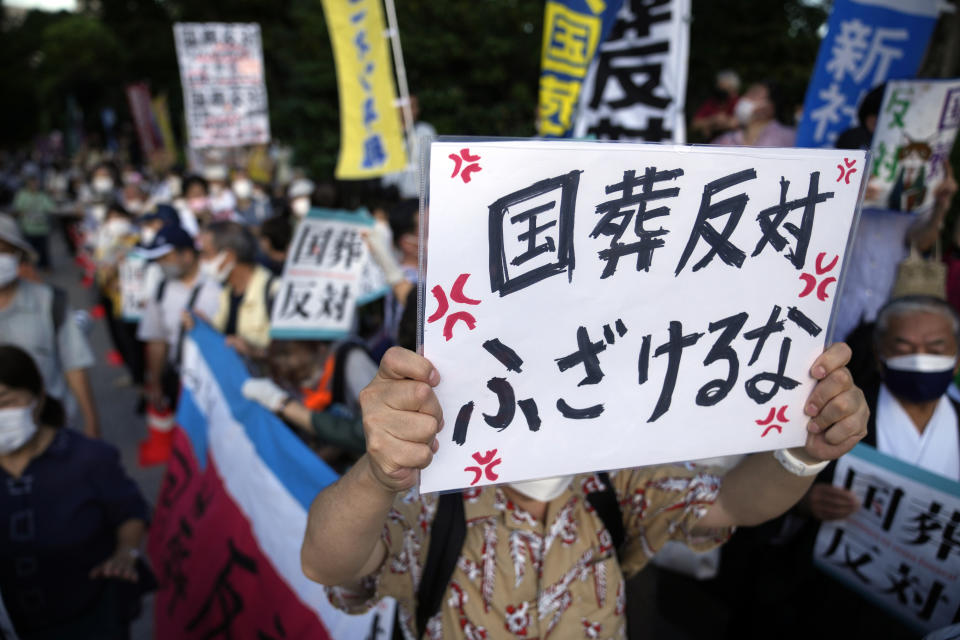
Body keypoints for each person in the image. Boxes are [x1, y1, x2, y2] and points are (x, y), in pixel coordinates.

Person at [301, 340, 868, 638]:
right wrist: (380, 476)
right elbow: (330, 562)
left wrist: (802, 451)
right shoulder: (433, 490)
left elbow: (729, 504)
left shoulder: (615, 478)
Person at [0, 345, 151, 639]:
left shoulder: (88, 457)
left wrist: (125, 552)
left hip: (90, 618)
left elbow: (131, 510)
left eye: (5, 402)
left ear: (38, 398)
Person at [0, 214, 100, 438]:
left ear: (17, 255)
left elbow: (74, 365)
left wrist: (92, 423)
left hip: (53, 428)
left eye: (2, 250)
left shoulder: (50, 301)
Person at [136, 223, 220, 463]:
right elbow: (156, 340)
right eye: (159, 260)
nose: (163, 264)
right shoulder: (161, 290)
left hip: (214, 382)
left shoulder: (216, 285)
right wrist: (155, 383)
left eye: (167, 257)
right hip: (179, 379)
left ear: (187, 254)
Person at [202, 221, 280, 359]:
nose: (202, 261)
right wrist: (202, 326)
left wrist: (255, 352)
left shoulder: (275, 291)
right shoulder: (227, 292)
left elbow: (294, 355)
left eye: (207, 255)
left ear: (229, 256)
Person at [381, 95, 437, 200]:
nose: (412, 111)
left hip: (418, 198)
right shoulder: (384, 133)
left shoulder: (426, 131)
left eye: (414, 106)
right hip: (387, 197)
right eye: (408, 106)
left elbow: (435, 163)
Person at [712, 81, 795, 147]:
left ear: (771, 106)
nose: (745, 98)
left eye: (754, 94)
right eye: (746, 94)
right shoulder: (725, 140)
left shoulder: (789, 138)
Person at [12, 166, 56, 270]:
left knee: (44, 250)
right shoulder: (22, 195)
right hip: (28, 228)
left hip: (42, 228)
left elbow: (51, 208)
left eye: (36, 182)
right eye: (32, 183)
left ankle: (45, 266)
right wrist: (23, 213)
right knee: (28, 251)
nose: (34, 185)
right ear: (28, 184)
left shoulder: (43, 195)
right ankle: (27, 268)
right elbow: (17, 210)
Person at [691, 70, 741, 141]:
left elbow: (737, 123)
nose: (720, 89)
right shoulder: (712, 102)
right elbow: (695, 124)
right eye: (719, 86)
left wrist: (710, 127)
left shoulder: (739, 103)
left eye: (723, 87)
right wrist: (713, 120)